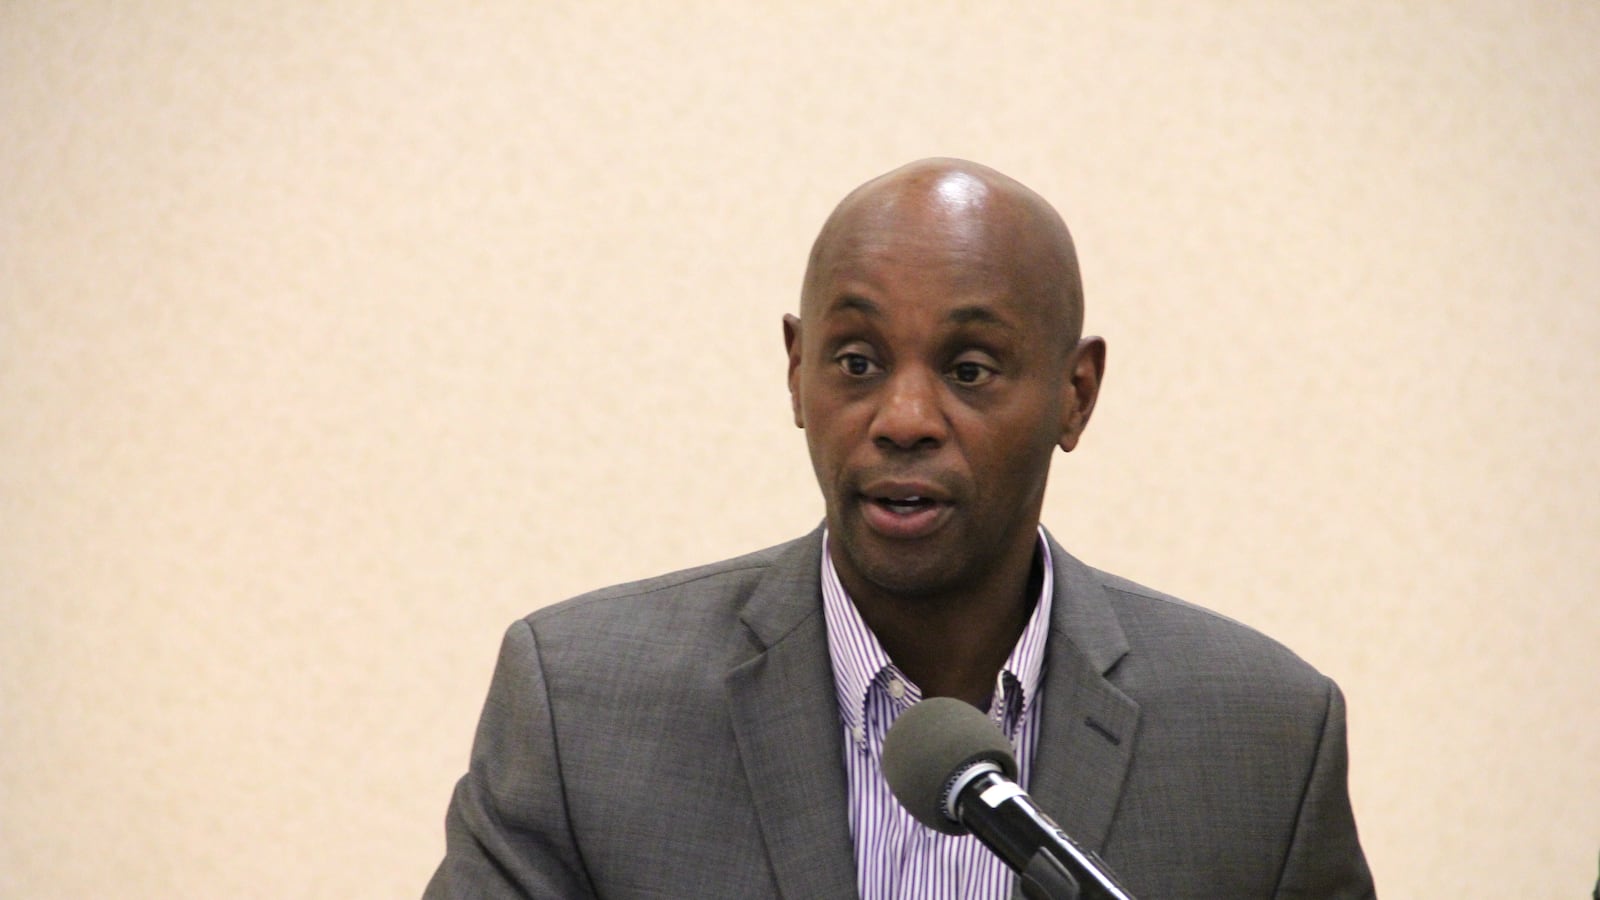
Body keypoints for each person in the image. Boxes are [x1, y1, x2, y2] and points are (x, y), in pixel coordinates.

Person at [425, 159, 1376, 898]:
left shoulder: (1265, 740)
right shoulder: (582, 712)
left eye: (969, 369)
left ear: (1074, 396)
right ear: (796, 372)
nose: (904, 417)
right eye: (856, 359)